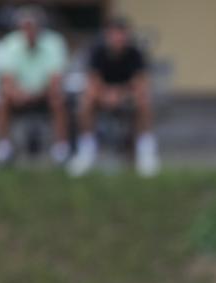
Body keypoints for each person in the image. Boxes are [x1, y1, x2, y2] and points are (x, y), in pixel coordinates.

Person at [68, 16, 158, 177]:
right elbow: (93, 81)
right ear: (107, 35)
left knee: (144, 101)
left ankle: (146, 152)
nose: (118, 38)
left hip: (127, 97)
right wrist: (106, 95)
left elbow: (140, 83)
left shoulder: (135, 53)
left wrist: (120, 94)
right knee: (86, 101)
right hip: (102, 96)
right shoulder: (97, 52)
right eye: (114, 33)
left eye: (121, 33)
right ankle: (86, 150)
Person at [0, 5, 69, 166]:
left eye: (33, 26)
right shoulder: (10, 43)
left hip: (44, 94)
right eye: (26, 26)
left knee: (57, 98)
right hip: (18, 95)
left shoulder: (54, 42)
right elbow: (7, 80)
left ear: (40, 27)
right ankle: (4, 147)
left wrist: (37, 94)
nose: (29, 31)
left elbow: (55, 80)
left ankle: (60, 148)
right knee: (3, 99)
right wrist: (19, 94)